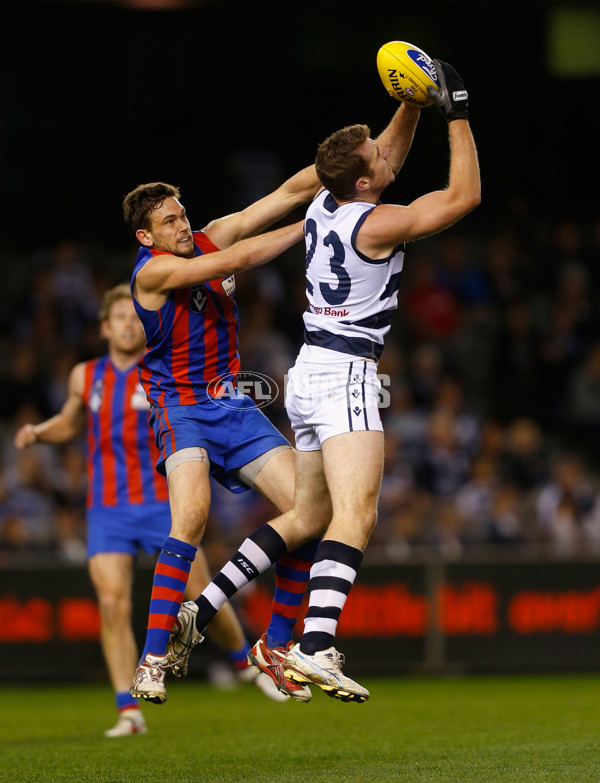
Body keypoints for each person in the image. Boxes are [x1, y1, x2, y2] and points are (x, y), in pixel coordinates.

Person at [169, 58, 481, 702]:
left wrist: (413, 102)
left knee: (308, 513)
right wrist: (459, 111)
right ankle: (314, 647)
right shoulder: (380, 221)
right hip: (346, 374)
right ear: (366, 178)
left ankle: (203, 605)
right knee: (356, 515)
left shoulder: (325, 201)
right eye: (375, 154)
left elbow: (382, 158)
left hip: (308, 368)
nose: (384, 153)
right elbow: (463, 198)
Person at [13, 285, 288, 739]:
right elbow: (70, 419)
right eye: (117, 318)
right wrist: (40, 433)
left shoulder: (163, 371)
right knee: (111, 602)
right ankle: (128, 710)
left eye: (132, 317)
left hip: (164, 501)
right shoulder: (86, 376)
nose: (126, 324)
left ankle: (245, 664)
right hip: (108, 509)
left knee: (200, 591)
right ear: (104, 327)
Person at [124, 167, 331, 705]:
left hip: (233, 406)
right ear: (146, 237)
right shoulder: (152, 273)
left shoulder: (211, 233)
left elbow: (287, 192)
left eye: (183, 214)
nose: (182, 225)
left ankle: (276, 646)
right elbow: (236, 261)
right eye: (168, 221)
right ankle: (152, 660)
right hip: (181, 409)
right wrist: (317, 225)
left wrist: (345, 165)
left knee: (311, 513)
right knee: (190, 518)